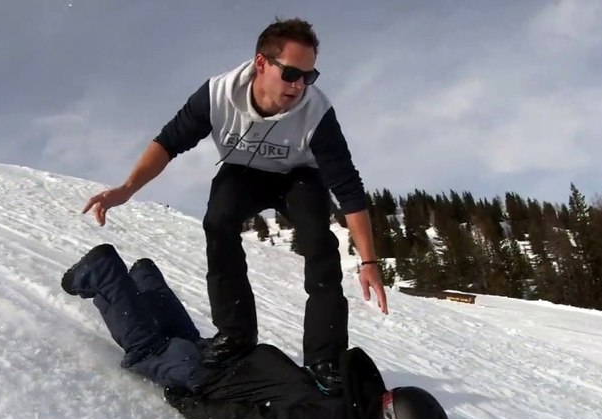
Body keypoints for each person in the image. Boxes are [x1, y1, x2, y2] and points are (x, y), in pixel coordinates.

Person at [81, 17, 386, 395]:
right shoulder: (218, 94)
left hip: (299, 177)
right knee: (218, 221)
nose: (299, 86)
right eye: (290, 73)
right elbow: (168, 143)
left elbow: (348, 187)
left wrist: (369, 262)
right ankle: (236, 335)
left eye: (309, 76)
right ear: (261, 64)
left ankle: (324, 358)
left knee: (318, 243)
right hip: (243, 171)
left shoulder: (317, 112)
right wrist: (127, 188)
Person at [61, 243, 450, 419]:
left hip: (236, 357)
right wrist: (192, 405)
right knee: (148, 349)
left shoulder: (348, 400)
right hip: (209, 379)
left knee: (184, 341)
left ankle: (145, 279)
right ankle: (104, 273)